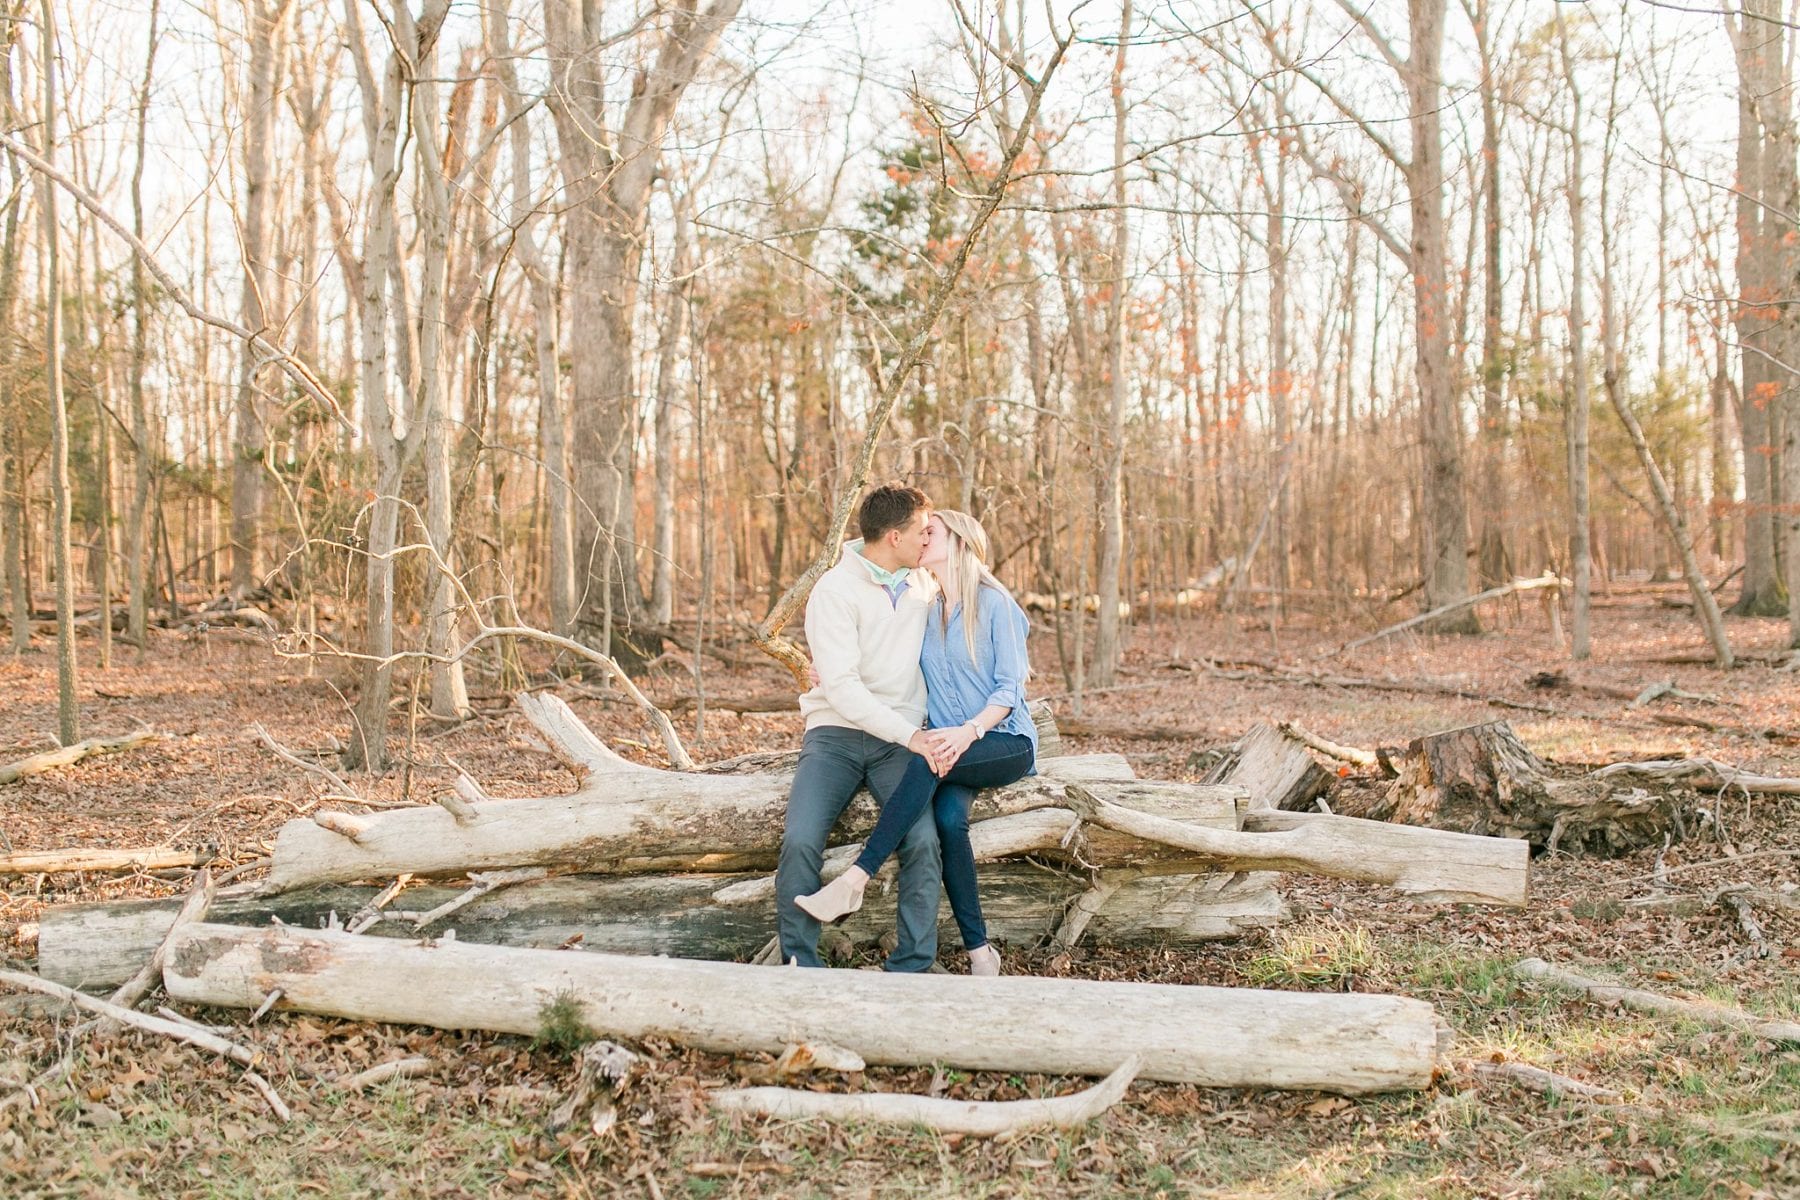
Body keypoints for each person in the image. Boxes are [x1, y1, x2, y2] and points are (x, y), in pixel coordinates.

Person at [797, 510, 1035, 976]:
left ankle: (855, 878)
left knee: (923, 763)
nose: (922, 538)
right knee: (948, 822)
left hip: (1002, 741)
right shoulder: (927, 608)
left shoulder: (996, 604)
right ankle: (980, 953)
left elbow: (1010, 692)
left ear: (961, 543)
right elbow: (890, 658)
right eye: (921, 531)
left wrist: (968, 732)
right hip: (951, 746)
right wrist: (828, 667)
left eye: (933, 532)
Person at [775, 483, 950, 972]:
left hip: (897, 739)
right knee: (801, 839)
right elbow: (845, 692)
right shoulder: (834, 590)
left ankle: (911, 966)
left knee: (922, 841)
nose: (927, 539)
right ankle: (800, 965)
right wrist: (912, 736)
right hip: (835, 733)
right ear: (894, 536)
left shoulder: (925, 585)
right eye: (921, 530)